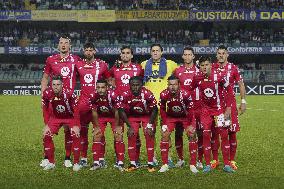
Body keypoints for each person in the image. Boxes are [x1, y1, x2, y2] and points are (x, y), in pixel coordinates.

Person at [40, 34, 81, 168]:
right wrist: (43, 94)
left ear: (70, 46)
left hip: (69, 101)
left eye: (66, 43)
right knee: (47, 128)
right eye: (61, 42)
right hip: (54, 100)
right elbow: (45, 78)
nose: (63, 45)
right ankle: (47, 158)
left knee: (69, 131)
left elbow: (86, 73)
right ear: (58, 45)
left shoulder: (76, 59)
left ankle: (68, 158)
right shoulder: (51, 59)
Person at [191, 56, 235, 173]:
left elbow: (230, 90)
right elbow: (190, 89)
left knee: (224, 135)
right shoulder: (197, 77)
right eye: (202, 65)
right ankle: (208, 164)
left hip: (220, 110)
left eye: (206, 65)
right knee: (206, 135)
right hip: (205, 111)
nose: (204, 67)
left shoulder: (219, 76)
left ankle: (226, 164)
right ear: (199, 67)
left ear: (211, 65)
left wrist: (229, 108)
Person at [141, 43, 178, 167]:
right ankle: (154, 157)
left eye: (157, 50)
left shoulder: (171, 64)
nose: (155, 52)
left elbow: (179, 77)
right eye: (153, 51)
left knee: (166, 132)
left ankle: (168, 156)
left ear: (161, 52)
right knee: (150, 131)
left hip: (165, 104)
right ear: (150, 52)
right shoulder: (144, 64)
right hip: (149, 105)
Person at [211, 45, 246, 170]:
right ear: (216, 55)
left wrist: (243, 101)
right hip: (216, 105)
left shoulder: (233, 68)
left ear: (227, 55)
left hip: (230, 105)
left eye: (223, 53)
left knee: (231, 132)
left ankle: (231, 160)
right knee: (215, 132)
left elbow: (241, 84)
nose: (221, 55)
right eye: (219, 53)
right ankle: (215, 160)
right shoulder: (211, 67)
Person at [76, 42, 111, 167]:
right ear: (84, 51)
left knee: (99, 132)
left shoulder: (102, 65)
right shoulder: (78, 64)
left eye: (91, 50)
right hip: (83, 105)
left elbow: (109, 80)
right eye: (87, 50)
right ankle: (83, 159)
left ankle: (101, 158)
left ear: (94, 51)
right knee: (83, 133)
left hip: (98, 104)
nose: (89, 52)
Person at [109, 46, 144, 165]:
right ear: (120, 55)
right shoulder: (115, 69)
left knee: (135, 133)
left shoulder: (138, 68)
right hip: (119, 106)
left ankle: (136, 159)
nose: (125, 55)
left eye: (128, 53)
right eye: (123, 53)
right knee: (118, 132)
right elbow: (109, 79)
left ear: (132, 55)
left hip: (134, 105)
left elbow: (141, 83)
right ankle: (119, 159)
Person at [117, 76, 158, 173]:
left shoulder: (147, 93)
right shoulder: (125, 94)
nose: (135, 87)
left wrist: (149, 125)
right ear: (129, 86)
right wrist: (129, 126)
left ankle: (150, 164)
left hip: (147, 116)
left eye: (137, 85)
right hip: (133, 117)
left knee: (149, 134)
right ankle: (132, 164)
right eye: (133, 85)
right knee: (132, 134)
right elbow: (121, 111)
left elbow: (154, 110)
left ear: (142, 85)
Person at [41, 75, 81, 171]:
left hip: (70, 117)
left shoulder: (69, 94)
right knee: (46, 135)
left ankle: (76, 163)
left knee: (75, 134)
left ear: (62, 85)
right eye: (53, 84)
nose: (55, 86)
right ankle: (51, 162)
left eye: (58, 84)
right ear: (51, 85)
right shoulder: (47, 93)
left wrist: (76, 125)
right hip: (56, 118)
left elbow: (76, 110)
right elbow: (45, 109)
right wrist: (46, 124)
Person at [158, 75, 197, 173]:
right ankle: (165, 164)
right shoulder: (164, 94)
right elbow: (162, 109)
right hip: (171, 117)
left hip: (185, 117)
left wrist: (189, 125)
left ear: (179, 85)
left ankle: (192, 164)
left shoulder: (186, 94)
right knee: (164, 134)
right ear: (168, 85)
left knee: (192, 134)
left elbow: (191, 110)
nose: (172, 87)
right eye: (170, 84)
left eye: (175, 84)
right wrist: (163, 123)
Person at [173, 46, 203, 169]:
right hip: (181, 108)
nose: (187, 57)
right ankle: (180, 159)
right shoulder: (177, 71)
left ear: (193, 56)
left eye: (189, 54)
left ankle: (199, 160)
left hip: (197, 107)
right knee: (178, 133)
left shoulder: (199, 71)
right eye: (185, 54)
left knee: (198, 134)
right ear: (182, 56)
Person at [88, 79, 125, 171]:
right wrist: (96, 127)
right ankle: (97, 162)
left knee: (118, 135)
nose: (100, 90)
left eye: (103, 87)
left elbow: (117, 112)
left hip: (114, 117)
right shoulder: (93, 96)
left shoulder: (113, 95)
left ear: (107, 88)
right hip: (101, 116)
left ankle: (120, 162)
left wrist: (117, 126)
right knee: (97, 135)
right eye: (98, 87)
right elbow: (94, 112)